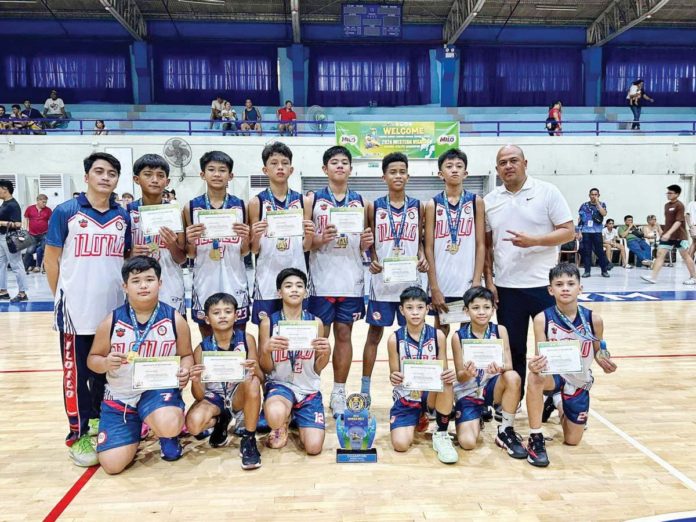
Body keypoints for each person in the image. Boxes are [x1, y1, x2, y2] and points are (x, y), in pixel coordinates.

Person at [44, 152, 131, 466]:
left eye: (111, 173)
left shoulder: (123, 217)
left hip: (111, 311)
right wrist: (61, 298)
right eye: (99, 171)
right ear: (87, 176)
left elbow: (127, 259)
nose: (105, 177)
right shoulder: (66, 211)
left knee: (108, 372)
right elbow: (51, 261)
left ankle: (98, 421)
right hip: (75, 311)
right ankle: (77, 434)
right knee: (77, 376)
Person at [87, 256, 193, 474]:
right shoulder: (112, 321)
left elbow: (187, 355)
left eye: (149, 279)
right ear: (125, 286)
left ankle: (165, 433)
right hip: (121, 396)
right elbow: (92, 359)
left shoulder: (174, 318)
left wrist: (185, 370)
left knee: (169, 423)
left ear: (160, 283)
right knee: (112, 466)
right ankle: (135, 429)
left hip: (157, 391)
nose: (143, 285)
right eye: (136, 281)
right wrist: (106, 362)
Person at [484, 145, 574, 395]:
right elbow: (487, 247)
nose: (508, 166)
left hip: (544, 286)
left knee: (551, 348)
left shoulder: (547, 192)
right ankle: (513, 404)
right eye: (503, 162)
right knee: (513, 350)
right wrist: (489, 281)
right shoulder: (489, 201)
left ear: (525, 163)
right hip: (507, 287)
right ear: (497, 169)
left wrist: (534, 240)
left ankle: (555, 398)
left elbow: (568, 231)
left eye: (514, 160)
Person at [526, 263, 617, 467]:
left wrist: (605, 361)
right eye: (559, 284)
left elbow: (599, 350)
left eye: (570, 283)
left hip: (579, 380)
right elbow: (539, 356)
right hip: (555, 376)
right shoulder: (542, 319)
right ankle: (536, 436)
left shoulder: (594, 319)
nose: (565, 288)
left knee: (572, 440)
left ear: (580, 288)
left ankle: (557, 402)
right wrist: (535, 366)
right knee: (534, 378)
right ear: (551, 290)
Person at [307, 145, 373, 417]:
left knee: (344, 335)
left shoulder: (362, 202)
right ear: (325, 169)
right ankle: (312, 390)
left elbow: (365, 244)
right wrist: (318, 240)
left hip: (350, 281)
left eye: (345, 162)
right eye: (334, 162)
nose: (340, 166)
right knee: (319, 339)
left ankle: (338, 391)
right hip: (321, 281)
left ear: (350, 168)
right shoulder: (312, 201)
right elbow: (305, 243)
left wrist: (366, 245)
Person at [361, 152, 427, 400]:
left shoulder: (418, 206)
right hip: (382, 284)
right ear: (384, 176)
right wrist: (371, 259)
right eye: (392, 172)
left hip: (410, 284)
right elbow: (368, 241)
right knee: (374, 335)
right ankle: (365, 390)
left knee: (412, 336)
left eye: (402, 171)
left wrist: (422, 256)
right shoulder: (374, 206)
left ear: (408, 175)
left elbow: (420, 240)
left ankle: (409, 388)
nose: (398, 176)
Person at [185, 292, 262, 469]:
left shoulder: (247, 339)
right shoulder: (202, 349)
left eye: (227, 311)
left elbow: (260, 376)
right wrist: (195, 380)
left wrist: (254, 368)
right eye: (216, 312)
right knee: (194, 426)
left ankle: (249, 439)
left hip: (238, 394)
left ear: (236, 316)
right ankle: (222, 419)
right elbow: (199, 396)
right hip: (214, 397)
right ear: (207, 319)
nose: (222, 316)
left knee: (252, 381)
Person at [258, 268, 331, 455]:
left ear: (306, 292)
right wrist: (266, 349)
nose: (294, 290)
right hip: (280, 385)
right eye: (288, 286)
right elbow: (265, 368)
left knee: (314, 448)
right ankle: (282, 420)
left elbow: (317, 368)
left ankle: (295, 414)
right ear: (279, 292)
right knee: (274, 416)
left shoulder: (316, 323)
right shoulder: (269, 323)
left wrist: (326, 353)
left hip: (307, 388)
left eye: (300, 286)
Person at [451, 286, 527, 459]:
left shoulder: (500, 330)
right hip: (468, 391)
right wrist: (468, 372)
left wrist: (500, 368)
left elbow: (508, 364)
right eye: (475, 308)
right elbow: (459, 376)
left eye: (486, 307)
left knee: (513, 376)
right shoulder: (458, 337)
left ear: (493, 310)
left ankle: (505, 429)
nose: (481, 312)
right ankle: (476, 416)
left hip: (492, 387)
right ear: (466, 310)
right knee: (468, 443)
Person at [184, 151, 251, 337]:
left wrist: (246, 238)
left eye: (222, 170)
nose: (216, 174)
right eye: (211, 169)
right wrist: (189, 240)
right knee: (206, 331)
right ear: (202, 174)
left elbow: (245, 252)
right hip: (205, 277)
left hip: (234, 276)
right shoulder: (191, 207)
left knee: (238, 332)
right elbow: (189, 253)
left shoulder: (241, 206)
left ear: (230, 176)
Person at [387, 286, 458, 464]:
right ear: (402, 310)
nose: (415, 313)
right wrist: (394, 377)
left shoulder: (438, 335)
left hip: (430, 395)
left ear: (427, 309)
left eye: (420, 307)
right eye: (409, 308)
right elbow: (394, 375)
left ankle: (441, 433)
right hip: (407, 397)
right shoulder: (394, 339)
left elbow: (444, 369)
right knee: (400, 445)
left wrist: (449, 374)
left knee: (446, 382)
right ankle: (418, 417)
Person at [249, 142, 314, 325]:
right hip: (266, 279)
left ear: (291, 169)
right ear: (265, 169)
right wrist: (254, 236)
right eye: (274, 163)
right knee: (266, 332)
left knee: (298, 330)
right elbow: (254, 250)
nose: (280, 167)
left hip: (296, 277)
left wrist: (309, 235)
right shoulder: (256, 203)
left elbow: (306, 247)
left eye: (284, 163)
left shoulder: (304, 201)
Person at [426, 148, 485, 336]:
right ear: (440, 174)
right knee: (441, 330)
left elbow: (481, 244)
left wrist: (477, 281)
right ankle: (442, 366)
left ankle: (465, 367)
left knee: (469, 332)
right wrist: (434, 286)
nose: (454, 170)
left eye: (459, 166)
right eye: (449, 166)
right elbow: (428, 247)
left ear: (466, 173)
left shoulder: (476, 201)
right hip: (442, 280)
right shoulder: (432, 204)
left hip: (467, 280)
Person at [128, 154, 186, 316]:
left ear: (167, 182)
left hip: (170, 283)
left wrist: (172, 245)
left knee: (173, 335)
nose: (154, 180)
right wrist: (131, 253)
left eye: (160, 176)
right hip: (138, 282)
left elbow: (182, 258)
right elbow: (120, 254)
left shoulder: (175, 213)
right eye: (148, 174)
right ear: (136, 179)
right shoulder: (126, 212)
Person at [641, 185, 696, 285]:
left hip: (679, 236)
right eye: (667, 193)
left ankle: (694, 277)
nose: (668, 195)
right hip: (667, 236)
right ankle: (653, 277)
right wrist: (664, 233)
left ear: (677, 194)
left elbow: (678, 222)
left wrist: (669, 233)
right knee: (660, 254)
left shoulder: (680, 205)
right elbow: (669, 221)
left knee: (685, 256)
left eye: (670, 193)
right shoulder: (666, 205)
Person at [0, 179, 29, 302]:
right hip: (2, 237)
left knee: (16, 265)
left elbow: (18, 224)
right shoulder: (4, 203)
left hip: (10, 238)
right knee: (1, 264)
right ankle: (3, 291)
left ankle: (22, 293)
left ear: (5, 189)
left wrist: (1, 222)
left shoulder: (13, 204)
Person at [577, 188, 609, 278]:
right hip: (586, 231)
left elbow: (604, 214)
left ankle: (604, 270)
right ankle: (587, 271)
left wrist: (597, 203)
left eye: (595, 194)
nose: (593, 196)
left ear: (598, 195)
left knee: (600, 252)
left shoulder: (602, 204)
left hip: (597, 231)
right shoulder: (584, 205)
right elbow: (580, 219)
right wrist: (579, 231)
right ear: (589, 195)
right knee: (587, 252)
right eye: (592, 194)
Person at [22, 193, 52, 273]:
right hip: (32, 235)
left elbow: (51, 221)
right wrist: (25, 230)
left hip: (44, 234)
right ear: (38, 201)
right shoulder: (30, 209)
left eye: (46, 202)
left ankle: (44, 268)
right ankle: (24, 268)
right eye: (43, 202)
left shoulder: (48, 210)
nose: (45, 204)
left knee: (45, 250)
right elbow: (26, 219)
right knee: (29, 251)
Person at [686, 196, 696, 261]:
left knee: (694, 242)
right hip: (694, 225)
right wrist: (690, 225)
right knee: (695, 242)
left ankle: (689, 259)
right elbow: (687, 214)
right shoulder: (692, 203)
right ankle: (689, 259)